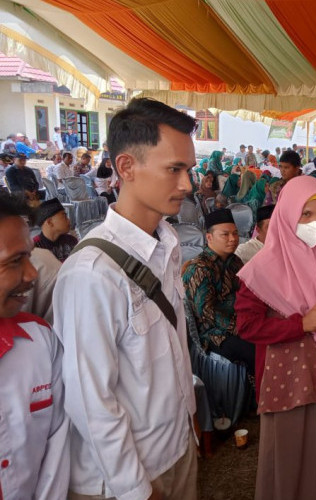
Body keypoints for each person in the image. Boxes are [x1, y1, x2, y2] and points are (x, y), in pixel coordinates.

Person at [53, 98, 198, 500]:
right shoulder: (92, 273)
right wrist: (135, 490)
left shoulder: (166, 244)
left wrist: (188, 420)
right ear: (126, 168)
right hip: (124, 480)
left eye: (189, 170)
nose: (187, 185)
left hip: (175, 450)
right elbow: (90, 400)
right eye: (174, 169)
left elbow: (168, 351)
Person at [235, 175, 316, 500]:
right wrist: (299, 324)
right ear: (288, 214)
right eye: (305, 215)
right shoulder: (263, 267)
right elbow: (248, 326)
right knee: (288, 460)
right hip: (286, 384)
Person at [0, 192, 69, 500]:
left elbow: (55, 457)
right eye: (15, 261)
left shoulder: (39, 342)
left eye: (28, 256)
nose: (31, 274)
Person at [183, 209, 254, 371]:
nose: (233, 239)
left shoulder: (235, 261)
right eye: (225, 234)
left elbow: (246, 293)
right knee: (254, 349)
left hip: (241, 322)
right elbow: (207, 312)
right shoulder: (199, 268)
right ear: (209, 237)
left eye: (235, 234)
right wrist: (241, 327)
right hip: (214, 334)